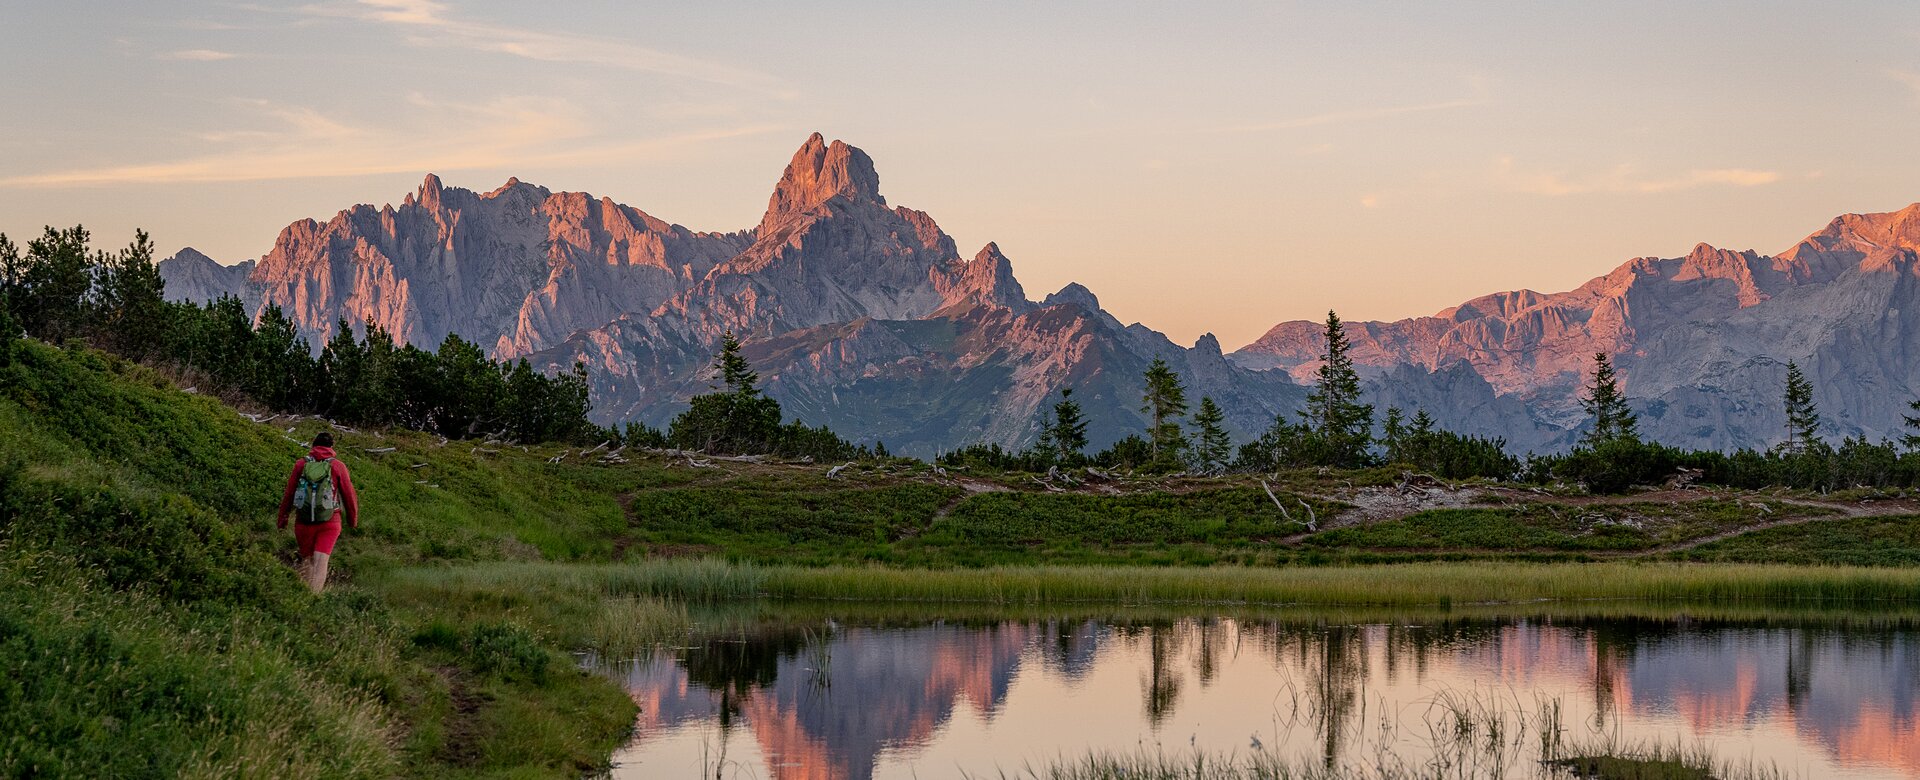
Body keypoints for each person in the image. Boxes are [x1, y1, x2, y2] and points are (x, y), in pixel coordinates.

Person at [276, 431, 360, 593]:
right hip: (330, 521)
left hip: (303, 521)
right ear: (331, 447)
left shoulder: (301, 464)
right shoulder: (337, 466)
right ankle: (315, 598)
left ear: (313, 445)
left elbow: (289, 494)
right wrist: (352, 520)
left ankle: (304, 596)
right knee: (321, 561)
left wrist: (283, 519)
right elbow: (349, 496)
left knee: (307, 560)